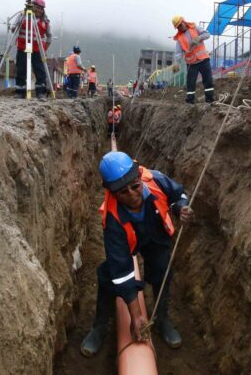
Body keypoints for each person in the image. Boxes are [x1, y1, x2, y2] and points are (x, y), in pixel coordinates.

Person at [80, 152, 194, 357]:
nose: (132, 194)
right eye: (123, 192)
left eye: (135, 186)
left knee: (162, 269)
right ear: (111, 192)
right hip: (128, 238)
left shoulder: (156, 180)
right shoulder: (112, 219)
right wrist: (136, 314)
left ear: (139, 177)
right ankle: (100, 326)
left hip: (155, 234)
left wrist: (181, 209)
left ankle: (162, 319)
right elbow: (121, 270)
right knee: (109, 276)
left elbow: (178, 195)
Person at [14, 0, 53, 99]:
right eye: (37, 7)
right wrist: (17, 24)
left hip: (38, 50)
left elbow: (49, 36)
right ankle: (20, 92)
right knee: (21, 69)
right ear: (32, 6)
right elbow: (13, 29)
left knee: (40, 71)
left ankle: (41, 92)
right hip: (22, 48)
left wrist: (44, 49)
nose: (39, 10)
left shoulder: (45, 22)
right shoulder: (22, 16)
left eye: (41, 8)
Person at [172, 16, 215, 104]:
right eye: (178, 27)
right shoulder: (179, 38)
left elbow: (207, 34)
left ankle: (209, 99)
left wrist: (199, 38)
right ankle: (190, 101)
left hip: (203, 59)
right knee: (190, 83)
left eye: (180, 25)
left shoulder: (195, 28)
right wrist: (177, 63)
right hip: (191, 63)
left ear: (184, 21)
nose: (180, 27)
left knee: (208, 80)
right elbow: (178, 53)